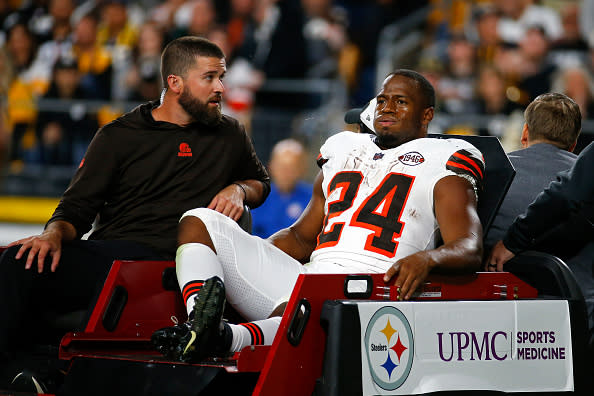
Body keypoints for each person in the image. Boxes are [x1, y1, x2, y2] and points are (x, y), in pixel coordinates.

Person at [152, 69, 485, 363]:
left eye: (401, 102)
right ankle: (200, 321)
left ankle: (226, 338)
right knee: (201, 220)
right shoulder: (344, 149)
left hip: (368, 288)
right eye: (382, 100)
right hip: (310, 274)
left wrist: (428, 259)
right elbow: (300, 238)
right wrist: (253, 256)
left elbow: (469, 245)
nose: (387, 108)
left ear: (427, 115)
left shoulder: (445, 159)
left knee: (303, 307)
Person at [0, 36, 270, 387]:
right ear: (175, 83)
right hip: (115, 256)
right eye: (210, 78)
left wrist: (239, 190)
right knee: (19, 259)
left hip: (174, 262)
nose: (221, 87)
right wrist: (52, 234)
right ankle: (22, 371)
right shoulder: (119, 136)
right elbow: (76, 208)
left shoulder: (230, 132)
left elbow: (260, 182)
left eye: (222, 76)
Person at [486, 142, 594, 331]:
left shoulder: (492, 173)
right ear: (573, 143)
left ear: (525, 134)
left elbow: (567, 194)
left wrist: (514, 241)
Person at [484, 93, 581, 253]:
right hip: (567, 275)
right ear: (573, 144)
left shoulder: (491, 168)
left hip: (493, 273)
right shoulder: (584, 177)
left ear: (524, 133)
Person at [251, 139, 312, 238]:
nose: (286, 173)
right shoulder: (258, 196)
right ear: (271, 167)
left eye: (292, 167)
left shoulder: (313, 198)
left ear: (302, 169)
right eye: (281, 167)